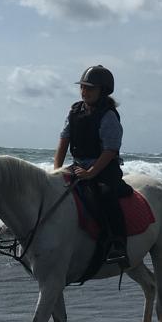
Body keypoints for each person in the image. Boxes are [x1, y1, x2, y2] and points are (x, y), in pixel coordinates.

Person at [53, 64, 132, 269]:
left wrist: (91, 173)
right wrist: (55, 171)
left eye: (90, 88)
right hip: (78, 165)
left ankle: (118, 244)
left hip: (104, 167)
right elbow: (63, 142)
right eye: (82, 87)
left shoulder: (108, 116)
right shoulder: (74, 110)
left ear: (102, 91)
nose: (84, 91)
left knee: (105, 193)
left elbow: (110, 150)